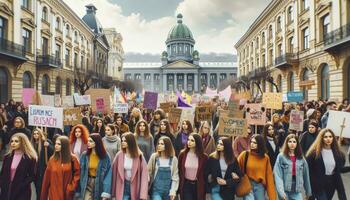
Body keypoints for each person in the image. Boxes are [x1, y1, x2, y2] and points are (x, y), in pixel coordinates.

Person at [306, 128, 347, 200]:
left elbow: (339, 169)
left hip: (331, 184)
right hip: (318, 183)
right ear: (321, 138)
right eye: (326, 137)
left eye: (330, 137)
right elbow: (307, 169)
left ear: (333, 138)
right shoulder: (314, 153)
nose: (328, 139)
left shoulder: (337, 153)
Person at [237, 134, 276, 200]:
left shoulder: (265, 158)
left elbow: (269, 177)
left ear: (260, 144)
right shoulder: (244, 154)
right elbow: (235, 168)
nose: (252, 144)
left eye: (255, 143)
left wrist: (272, 197)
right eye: (251, 142)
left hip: (260, 186)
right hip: (247, 184)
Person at [41, 135, 80, 200]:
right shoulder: (52, 159)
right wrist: (43, 196)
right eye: (55, 143)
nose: (56, 145)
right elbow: (46, 179)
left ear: (65, 145)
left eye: (59, 144)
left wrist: (71, 187)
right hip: (54, 194)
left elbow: (77, 174)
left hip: (67, 193)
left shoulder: (73, 159)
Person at [273, 134, 312, 199]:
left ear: (297, 144)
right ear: (286, 143)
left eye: (294, 142)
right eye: (290, 141)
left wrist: (308, 192)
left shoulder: (301, 158)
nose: (292, 143)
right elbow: (278, 176)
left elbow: (306, 175)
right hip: (285, 189)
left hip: (297, 190)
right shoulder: (281, 156)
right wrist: (281, 192)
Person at [111, 132, 148, 200]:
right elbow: (113, 173)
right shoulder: (119, 155)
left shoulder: (139, 157)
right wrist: (113, 193)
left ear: (131, 142)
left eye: (125, 141)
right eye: (122, 141)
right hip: (122, 186)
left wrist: (143, 194)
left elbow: (144, 176)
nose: (123, 142)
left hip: (136, 187)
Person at [0, 133, 37, 200]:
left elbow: (32, 175)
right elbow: (2, 173)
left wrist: (22, 185)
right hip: (6, 189)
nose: (13, 143)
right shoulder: (7, 157)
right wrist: (2, 184)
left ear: (23, 142)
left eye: (16, 141)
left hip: (21, 191)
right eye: (12, 141)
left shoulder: (30, 158)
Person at [77, 133, 112, 199]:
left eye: (91, 141)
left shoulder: (105, 156)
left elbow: (108, 175)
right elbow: (80, 172)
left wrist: (106, 192)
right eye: (88, 141)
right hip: (86, 182)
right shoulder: (84, 155)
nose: (88, 143)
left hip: (99, 183)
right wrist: (78, 189)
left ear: (97, 142)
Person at [178, 133, 208, 200]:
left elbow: (205, 173)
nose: (189, 142)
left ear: (197, 142)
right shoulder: (182, 154)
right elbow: (179, 170)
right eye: (188, 140)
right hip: (186, 185)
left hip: (198, 185)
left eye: (192, 140)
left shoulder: (204, 157)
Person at [31, 128, 53, 200]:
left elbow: (53, 153)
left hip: (43, 169)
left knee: (43, 188)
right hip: (35, 170)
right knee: (37, 188)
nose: (36, 135)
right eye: (34, 134)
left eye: (37, 133)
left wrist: (48, 146)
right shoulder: (32, 144)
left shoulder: (46, 142)